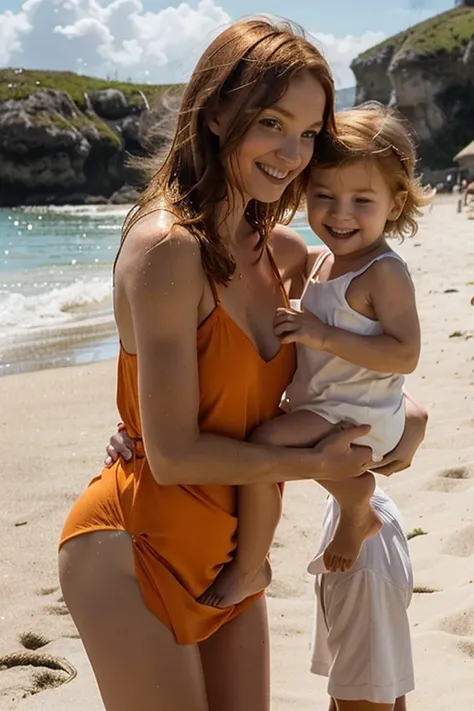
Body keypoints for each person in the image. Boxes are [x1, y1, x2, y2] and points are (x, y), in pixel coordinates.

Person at [59, 17, 427, 711]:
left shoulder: (280, 252)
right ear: (217, 110)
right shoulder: (169, 249)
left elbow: (358, 376)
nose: (292, 152)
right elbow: (170, 457)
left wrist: (407, 424)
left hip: (235, 559)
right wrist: (318, 466)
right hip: (134, 548)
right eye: (271, 121)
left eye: (309, 133)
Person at [198, 103, 433, 616]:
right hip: (338, 403)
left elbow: (405, 353)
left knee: (263, 448)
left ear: (394, 205)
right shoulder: (324, 258)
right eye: (323, 196)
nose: (339, 213)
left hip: (354, 415)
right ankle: (349, 500)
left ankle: (261, 559)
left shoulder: (382, 272)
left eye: (361, 200)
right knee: (271, 439)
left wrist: (322, 337)